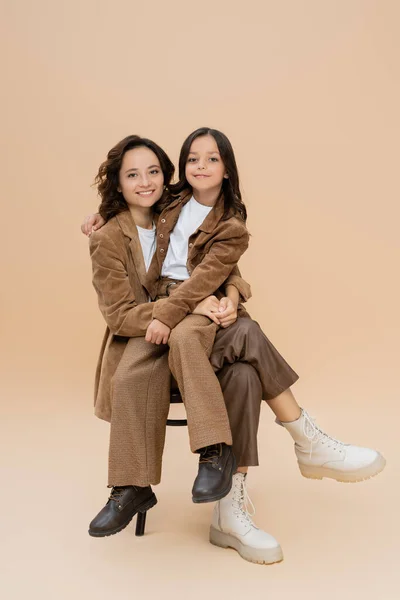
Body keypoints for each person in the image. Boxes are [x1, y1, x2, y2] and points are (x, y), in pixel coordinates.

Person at [83, 128, 385, 565]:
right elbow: (121, 313)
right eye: (133, 175)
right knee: (243, 341)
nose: (146, 181)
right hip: (148, 345)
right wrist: (179, 302)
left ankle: (230, 505)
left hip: (199, 333)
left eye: (153, 171)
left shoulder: (189, 212)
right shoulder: (119, 229)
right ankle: (301, 438)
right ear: (120, 182)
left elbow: (224, 266)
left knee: (240, 367)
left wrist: (232, 296)